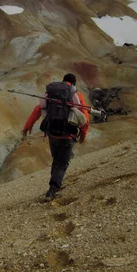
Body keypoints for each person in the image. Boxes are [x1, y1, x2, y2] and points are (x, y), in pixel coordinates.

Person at [21, 73, 89, 201]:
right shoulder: (76, 94)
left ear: (63, 81)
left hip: (52, 133)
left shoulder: (51, 94)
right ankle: (52, 189)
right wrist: (83, 134)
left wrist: (27, 126)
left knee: (56, 159)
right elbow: (84, 117)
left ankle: (54, 183)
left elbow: (38, 109)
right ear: (73, 83)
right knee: (62, 162)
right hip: (68, 134)